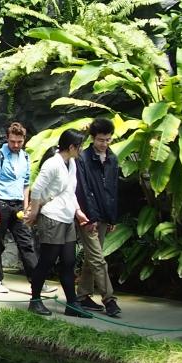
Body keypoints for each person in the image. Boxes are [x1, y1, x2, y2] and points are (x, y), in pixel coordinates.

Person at [25, 129, 89, 316]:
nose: (81, 150)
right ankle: (35, 300)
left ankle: (72, 304)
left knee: (69, 261)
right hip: (52, 217)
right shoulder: (52, 163)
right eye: (80, 146)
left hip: (67, 218)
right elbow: (37, 189)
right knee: (47, 260)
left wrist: (78, 211)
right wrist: (34, 211)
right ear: (72, 147)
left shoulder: (72, 163)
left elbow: (70, 191)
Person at [74, 117, 122, 318]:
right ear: (93, 138)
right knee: (98, 258)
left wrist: (111, 218)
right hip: (87, 216)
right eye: (101, 140)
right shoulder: (83, 159)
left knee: (92, 257)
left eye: (108, 139)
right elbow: (82, 190)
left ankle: (82, 295)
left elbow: (113, 190)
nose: (104, 144)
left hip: (104, 215)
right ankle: (109, 299)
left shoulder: (112, 159)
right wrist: (90, 217)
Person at [0, 121, 39, 294]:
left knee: (26, 243)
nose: (16, 145)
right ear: (7, 138)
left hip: (18, 206)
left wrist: (26, 207)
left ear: (24, 139)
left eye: (19, 142)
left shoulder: (25, 157)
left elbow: (26, 183)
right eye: (12, 141)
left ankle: (36, 281)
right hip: (1, 204)